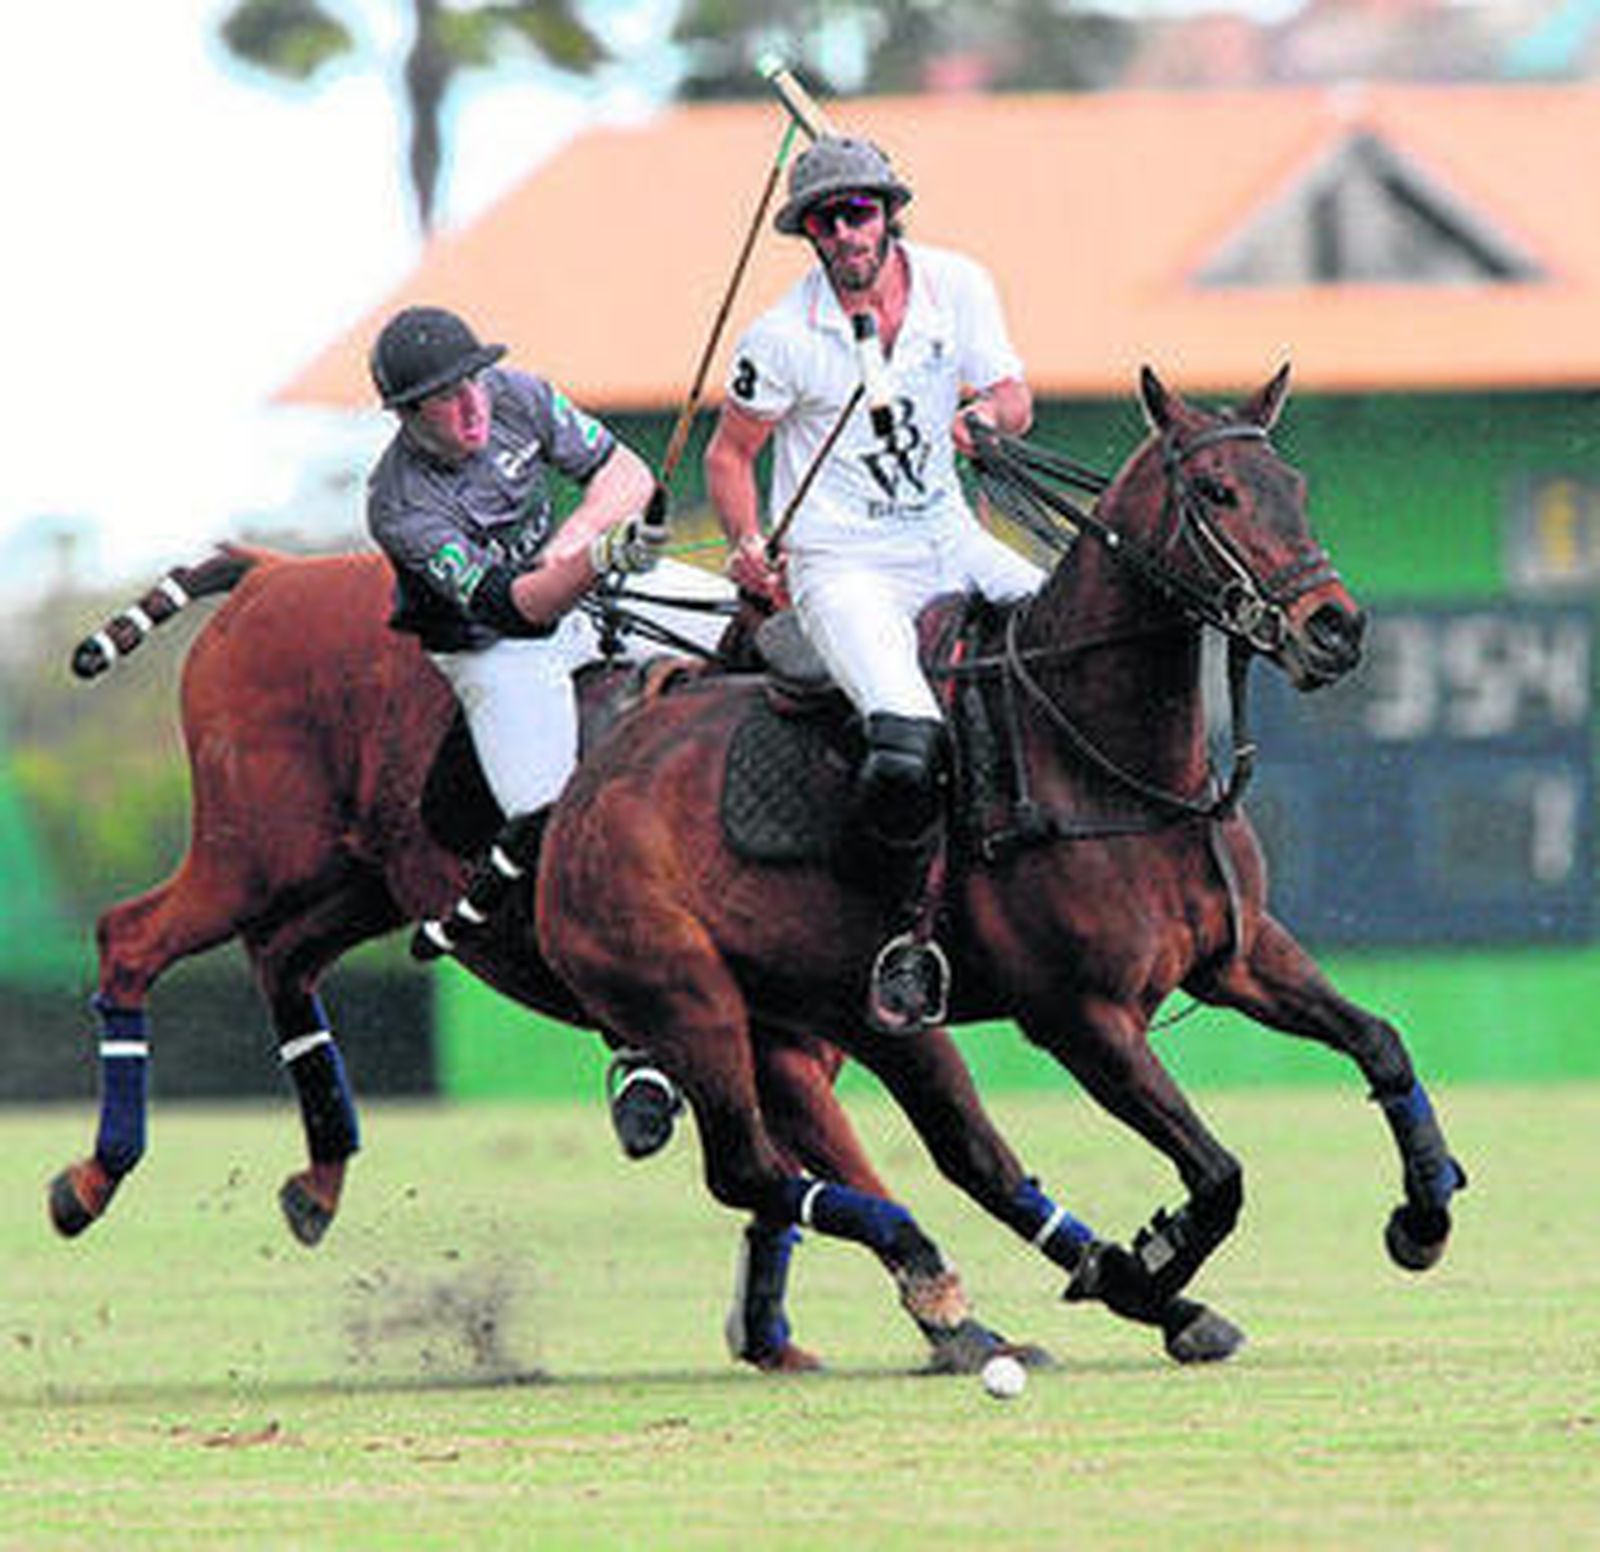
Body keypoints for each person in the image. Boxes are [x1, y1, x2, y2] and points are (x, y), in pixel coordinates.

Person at [704, 137, 1044, 1033]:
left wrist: (986, 417)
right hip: (842, 563)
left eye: (858, 212)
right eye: (824, 220)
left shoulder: (958, 286)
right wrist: (747, 542)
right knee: (906, 741)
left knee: (1070, 646)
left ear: (890, 214)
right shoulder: (781, 337)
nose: (844, 233)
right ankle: (895, 934)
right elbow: (730, 455)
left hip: (949, 537)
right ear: (808, 235)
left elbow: (1014, 396)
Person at [365, 303, 682, 1155]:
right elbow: (518, 610)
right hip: (496, 649)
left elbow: (627, 474)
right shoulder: (399, 506)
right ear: (407, 415)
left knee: (753, 629)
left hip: (587, 581)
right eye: (444, 399)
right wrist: (594, 558)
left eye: (471, 383)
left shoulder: (517, 394)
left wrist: (582, 540)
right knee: (554, 828)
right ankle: (633, 1042)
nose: (471, 406)